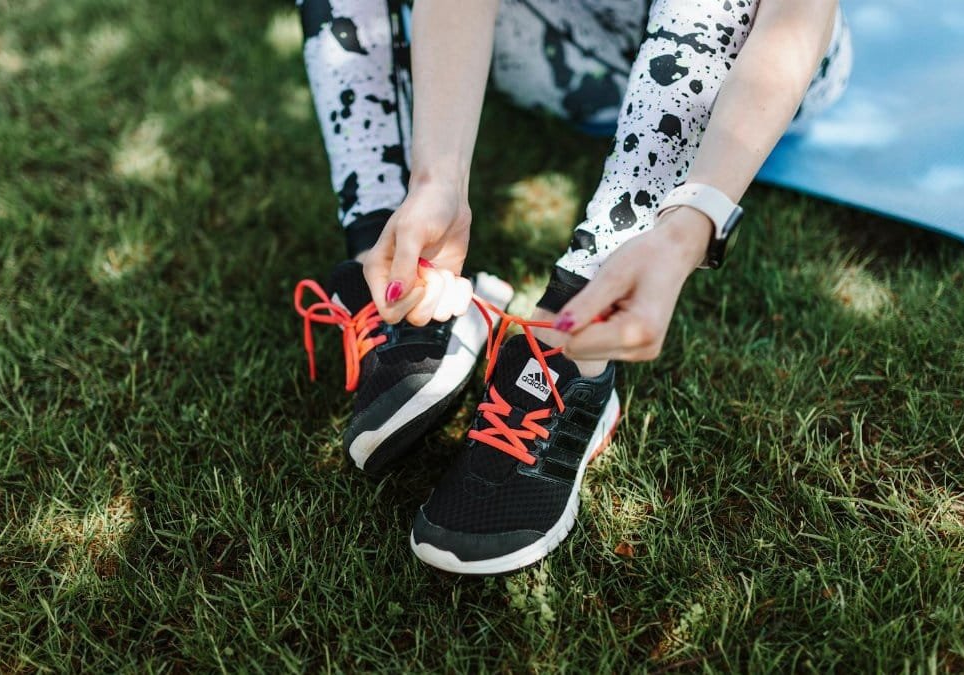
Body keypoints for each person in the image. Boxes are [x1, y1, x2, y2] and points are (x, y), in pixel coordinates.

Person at [294, 0, 851, 574]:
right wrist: (438, 181)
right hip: (563, 49)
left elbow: (797, 10)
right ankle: (388, 263)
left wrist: (687, 229)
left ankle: (567, 341)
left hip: (747, 58)